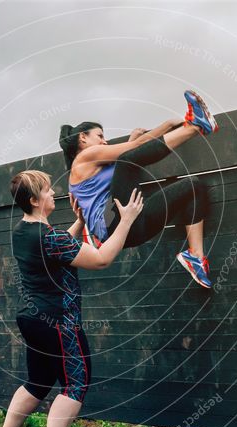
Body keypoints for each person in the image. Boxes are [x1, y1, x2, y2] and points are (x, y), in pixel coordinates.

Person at [0, 170, 143, 427]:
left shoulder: (23, 232)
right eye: (47, 190)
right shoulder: (50, 236)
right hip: (59, 322)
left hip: (33, 320)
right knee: (75, 384)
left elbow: (56, 250)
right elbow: (101, 259)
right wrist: (127, 220)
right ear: (34, 200)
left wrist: (80, 222)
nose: (53, 192)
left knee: (39, 381)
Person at [61, 90, 218, 288]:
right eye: (100, 136)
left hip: (132, 229)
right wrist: (169, 126)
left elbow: (135, 150)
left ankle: (196, 257)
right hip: (111, 224)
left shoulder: (97, 164)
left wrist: (164, 127)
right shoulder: (84, 157)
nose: (104, 141)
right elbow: (132, 152)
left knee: (193, 186)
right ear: (82, 138)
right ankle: (196, 127)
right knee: (127, 159)